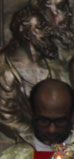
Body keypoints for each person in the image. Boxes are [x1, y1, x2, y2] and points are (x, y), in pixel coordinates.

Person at [0, 6, 66, 140]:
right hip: (27, 143)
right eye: (40, 26)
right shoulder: (6, 68)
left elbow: (72, 104)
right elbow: (6, 117)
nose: (48, 30)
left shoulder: (53, 65)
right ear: (26, 33)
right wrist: (40, 138)